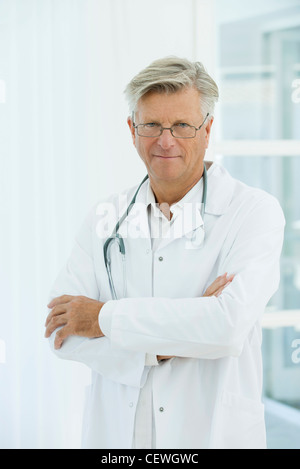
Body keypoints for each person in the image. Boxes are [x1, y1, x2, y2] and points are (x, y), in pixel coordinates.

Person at [45, 57, 285, 449]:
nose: (165, 140)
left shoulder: (253, 212)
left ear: (208, 129)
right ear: (132, 130)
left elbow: (226, 328)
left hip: (210, 435)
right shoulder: (105, 218)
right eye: (151, 124)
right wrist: (161, 348)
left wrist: (102, 317)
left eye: (183, 126)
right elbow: (62, 331)